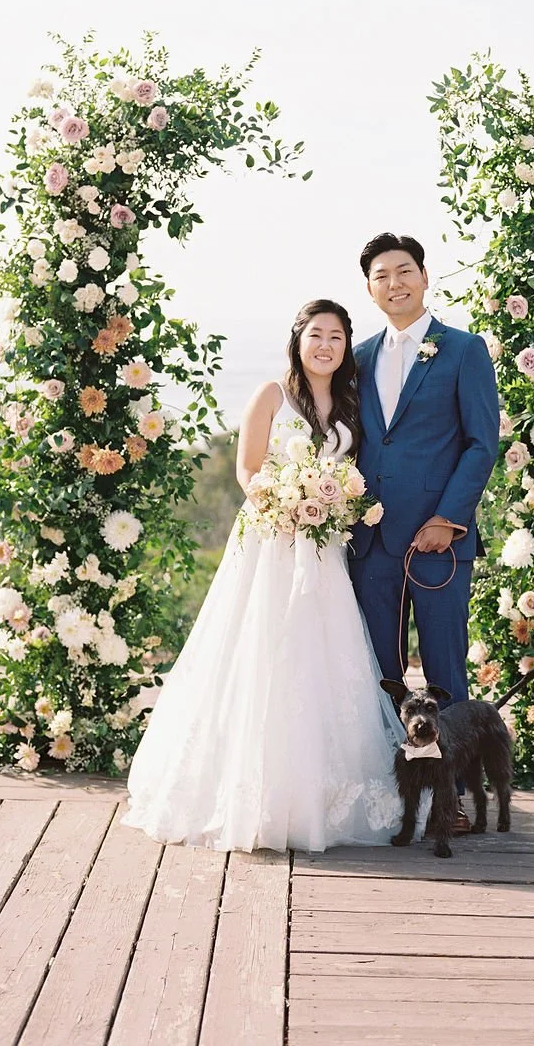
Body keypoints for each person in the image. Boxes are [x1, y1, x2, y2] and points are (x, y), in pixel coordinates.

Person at [121, 298, 403, 852]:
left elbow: (350, 473)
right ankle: (250, 793)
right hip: (270, 541)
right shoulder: (271, 395)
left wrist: (326, 505)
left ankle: (321, 795)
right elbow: (247, 468)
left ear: (346, 348)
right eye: (317, 334)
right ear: (298, 340)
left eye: (338, 338)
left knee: (322, 653)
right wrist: (284, 501)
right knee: (261, 649)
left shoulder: (348, 401)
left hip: (322, 548)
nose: (326, 345)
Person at [348, 233, 500, 833]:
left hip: (439, 541)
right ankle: (394, 796)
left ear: (424, 277)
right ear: (369, 288)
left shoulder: (463, 350)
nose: (395, 283)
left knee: (445, 668)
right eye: (382, 275)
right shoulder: (357, 357)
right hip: (370, 543)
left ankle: (453, 799)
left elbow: (481, 442)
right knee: (378, 672)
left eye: (404, 271)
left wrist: (448, 518)